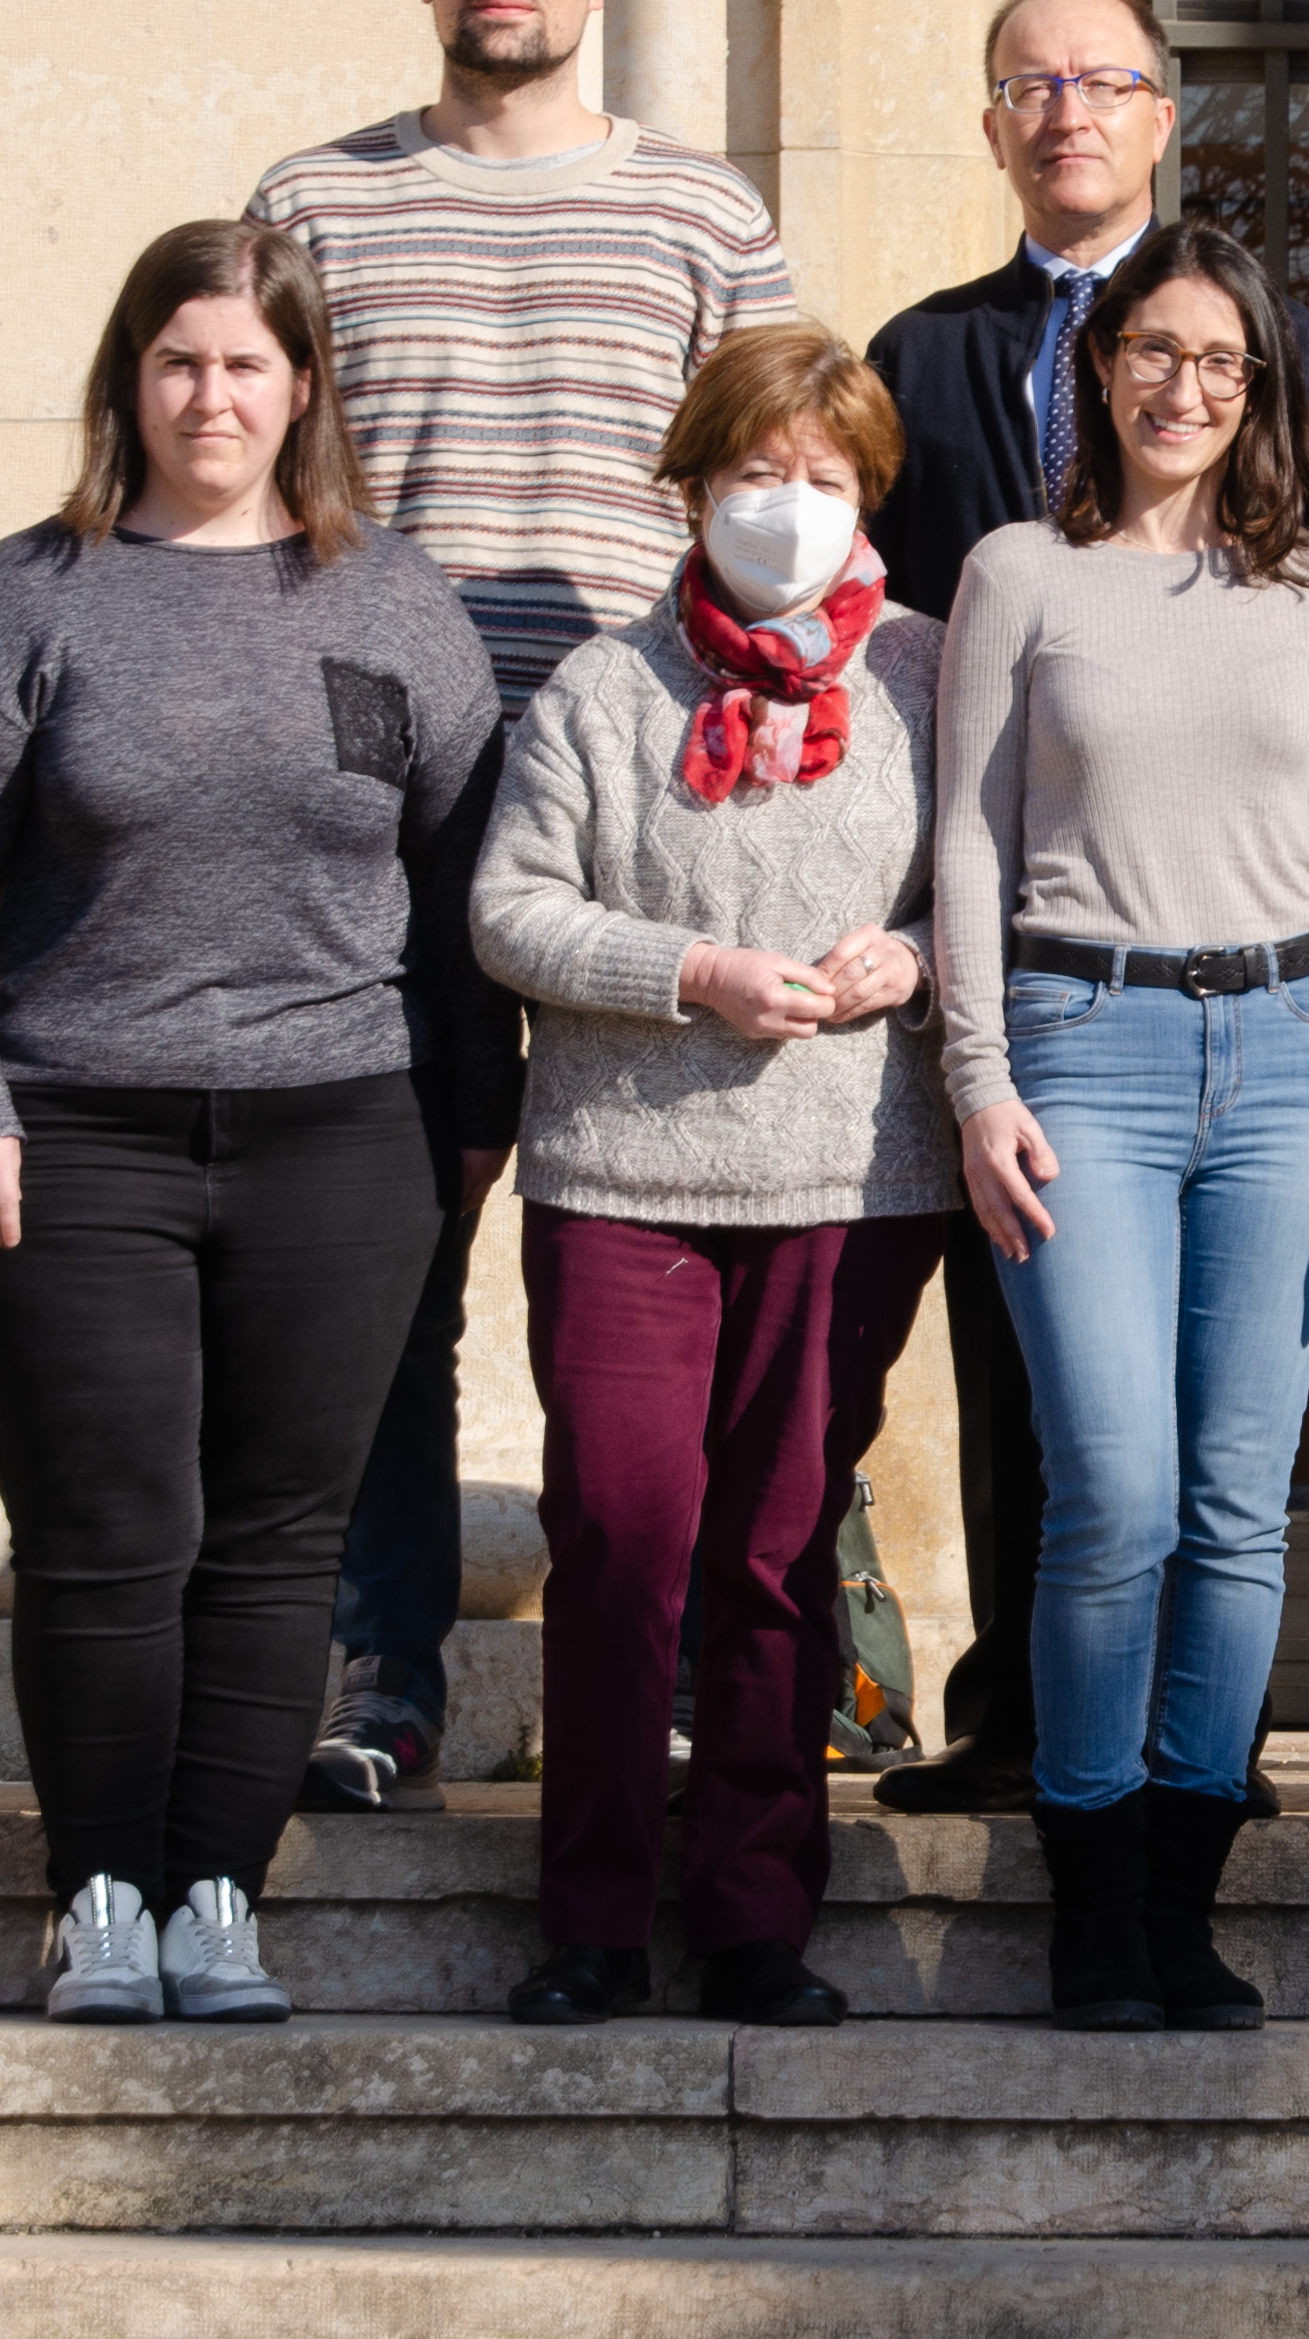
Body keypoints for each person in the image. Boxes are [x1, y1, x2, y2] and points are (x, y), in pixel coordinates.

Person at [0, 220, 518, 2026]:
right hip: (70, 1126)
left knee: (277, 1541)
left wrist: (477, 1120)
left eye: (248, 362)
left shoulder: (392, 603)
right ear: (131, 379)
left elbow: (464, 875)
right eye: (179, 361)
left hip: (343, 1133)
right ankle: (102, 1891)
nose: (212, 394)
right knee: (111, 1532)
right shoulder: (35, 592)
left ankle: (218, 1900)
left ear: (303, 384)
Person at [246, 0, 798, 1814]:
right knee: (387, 1244)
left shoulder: (704, 215)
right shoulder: (312, 203)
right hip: (367, 789)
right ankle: (386, 1667)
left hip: (624, 785)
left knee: (635, 1241)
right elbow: (249, 479)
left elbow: (777, 494)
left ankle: (653, 1661)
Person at [864, 0, 1309, 1820]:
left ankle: (1190, 1782)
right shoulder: (922, 361)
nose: (1067, 108)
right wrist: (969, 1041)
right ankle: (1032, 1736)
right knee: (1079, 1440)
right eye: (1030, 81)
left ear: (1163, 115)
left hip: (1273, 1015)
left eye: (1105, 80)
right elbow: (912, 720)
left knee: (1220, 1473)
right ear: (994, 117)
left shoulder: (1278, 394)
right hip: (1055, 1004)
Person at [934, 220, 1309, 2032]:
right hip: (1084, 1043)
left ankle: (1179, 1902)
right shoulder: (1018, 574)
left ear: (1261, 385)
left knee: (1236, 1508)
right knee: (1113, 1492)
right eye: (1154, 352)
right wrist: (979, 1077)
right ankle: (1087, 1894)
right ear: (1099, 368)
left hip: (1288, 1042)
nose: (1186, 387)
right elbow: (968, 837)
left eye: (1222, 359)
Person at [471, 321, 955, 2030]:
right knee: (619, 1532)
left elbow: (1006, 875)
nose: (790, 504)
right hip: (621, 1173)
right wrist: (692, 971)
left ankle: (758, 1912)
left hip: (849, 1177)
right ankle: (593, 1911)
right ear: (693, 481)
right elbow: (511, 907)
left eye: (826, 478)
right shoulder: (604, 688)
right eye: (758, 471)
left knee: (775, 1548)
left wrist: (914, 959)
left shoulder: (929, 673)